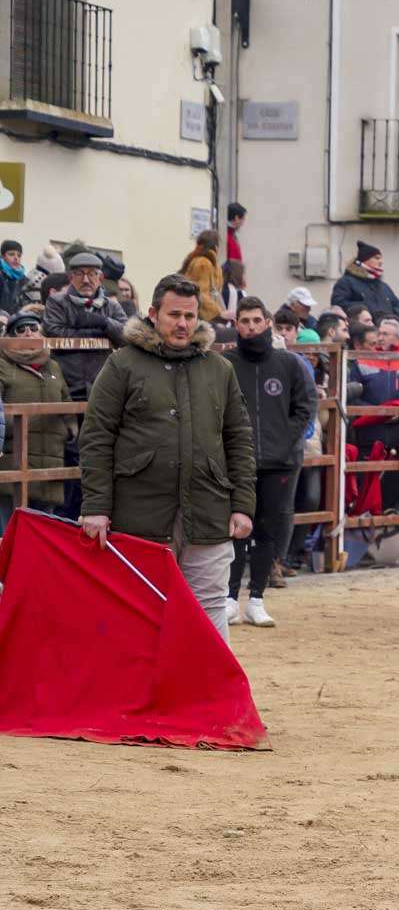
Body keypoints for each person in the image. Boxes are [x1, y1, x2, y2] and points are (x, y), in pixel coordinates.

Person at [77, 275, 255, 641]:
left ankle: (212, 697)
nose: (183, 324)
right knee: (139, 611)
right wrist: (96, 506)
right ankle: (139, 697)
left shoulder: (219, 369)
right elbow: (96, 438)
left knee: (209, 609)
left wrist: (243, 504)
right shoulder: (122, 365)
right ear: (154, 313)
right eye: (174, 315)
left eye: (190, 316)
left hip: (209, 511)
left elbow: (238, 439)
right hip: (139, 514)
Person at [222, 296, 315, 628]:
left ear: (267, 323)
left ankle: (256, 599)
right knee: (235, 530)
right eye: (244, 321)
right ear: (237, 325)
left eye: (256, 321)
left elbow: (305, 407)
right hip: (236, 462)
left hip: (278, 462)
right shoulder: (225, 363)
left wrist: (282, 441)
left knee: (266, 531)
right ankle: (231, 599)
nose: (250, 326)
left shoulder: (288, 364)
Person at [0, 310, 70, 521]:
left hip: (50, 463)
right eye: (20, 329)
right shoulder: (3, 364)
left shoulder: (54, 366)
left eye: (33, 327)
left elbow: (66, 401)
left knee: (41, 538)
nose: (28, 332)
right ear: (10, 337)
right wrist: (14, 426)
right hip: (14, 461)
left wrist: (69, 430)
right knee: (8, 535)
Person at [44, 250, 127, 400]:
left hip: (102, 382)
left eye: (92, 274)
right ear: (71, 277)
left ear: (100, 278)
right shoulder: (57, 302)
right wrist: (99, 333)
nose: (86, 280)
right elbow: (54, 331)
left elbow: (126, 335)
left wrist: (104, 322)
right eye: (80, 274)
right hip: (66, 380)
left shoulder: (112, 305)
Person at [328, 241, 399, 319]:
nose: (381, 262)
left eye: (381, 259)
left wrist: (393, 319)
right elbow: (338, 304)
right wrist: (367, 308)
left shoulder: (384, 286)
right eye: (377, 258)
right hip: (359, 329)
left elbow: (397, 306)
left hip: (385, 328)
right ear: (364, 260)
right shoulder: (346, 282)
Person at [180, 230, 223, 323]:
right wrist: (219, 313)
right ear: (216, 246)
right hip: (200, 318)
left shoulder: (204, 262)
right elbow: (200, 293)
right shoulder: (203, 263)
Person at [0, 238, 28, 313]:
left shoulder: (23, 279)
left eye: (19, 255)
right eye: (11, 254)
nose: (16, 258)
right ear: (3, 256)